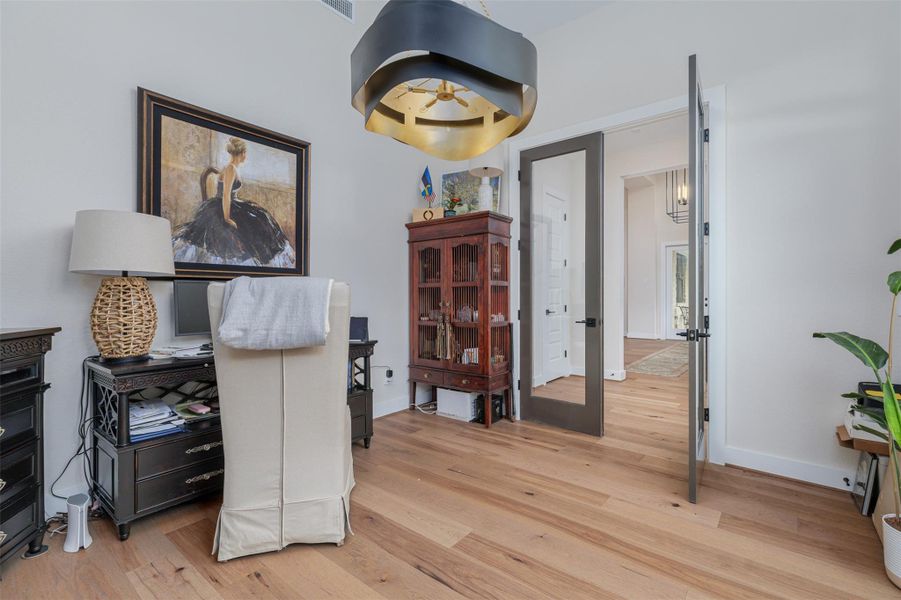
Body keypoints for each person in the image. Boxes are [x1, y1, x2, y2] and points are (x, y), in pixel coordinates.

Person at [172, 137, 295, 267]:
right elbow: (226, 195)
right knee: (250, 226)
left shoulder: (233, 168)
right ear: (241, 153)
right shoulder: (230, 169)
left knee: (261, 219)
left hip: (233, 203)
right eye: (245, 153)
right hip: (224, 206)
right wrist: (227, 218)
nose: (246, 156)